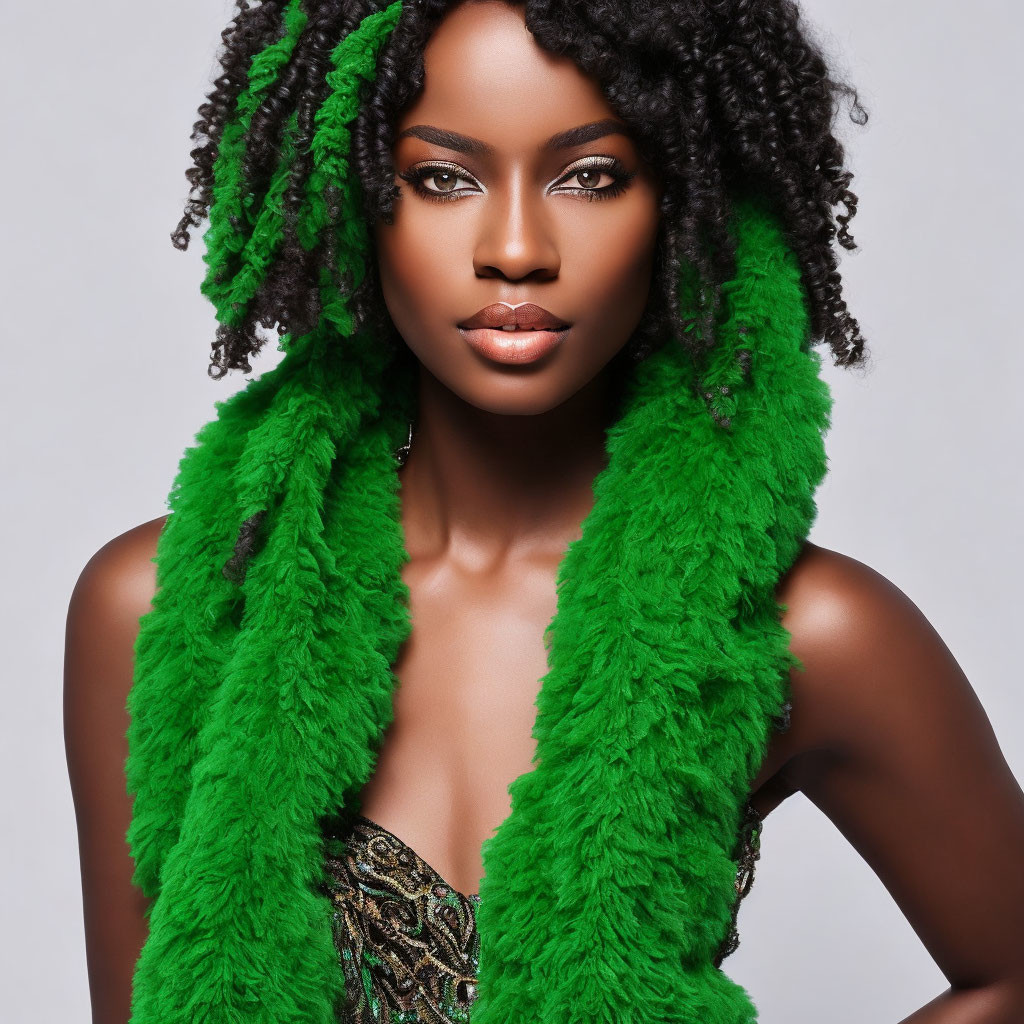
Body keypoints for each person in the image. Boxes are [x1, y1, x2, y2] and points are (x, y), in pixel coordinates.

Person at [64, 1, 1024, 1022]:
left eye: (590, 177)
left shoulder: (815, 633)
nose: (515, 247)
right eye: (441, 177)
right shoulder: (158, 608)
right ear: (350, 200)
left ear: (684, 202)